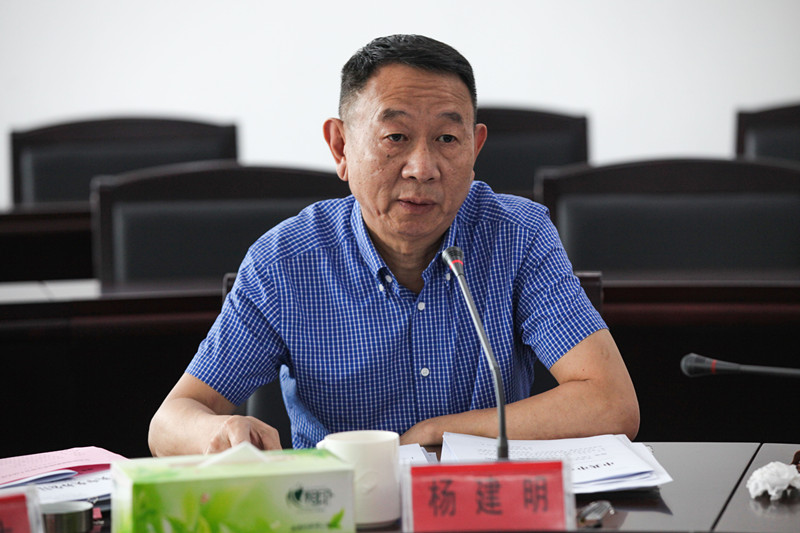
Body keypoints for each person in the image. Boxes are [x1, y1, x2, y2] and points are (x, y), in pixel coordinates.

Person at [148, 34, 639, 456]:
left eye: (447, 139)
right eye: (396, 136)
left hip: (482, 507)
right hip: (341, 511)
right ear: (340, 146)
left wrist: (437, 434)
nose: (422, 168)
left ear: (475, 148)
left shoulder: (517, 235)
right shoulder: (287, 261)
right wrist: (219, 431)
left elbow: (611, 403)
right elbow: (171, 420)